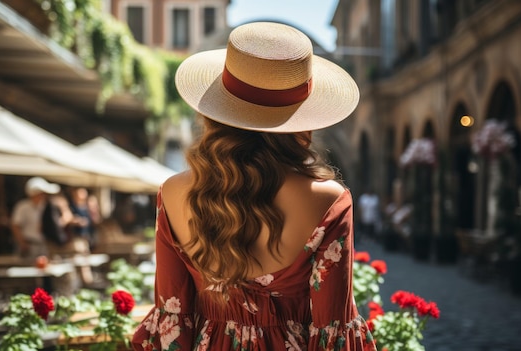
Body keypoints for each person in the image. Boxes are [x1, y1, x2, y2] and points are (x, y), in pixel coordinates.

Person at [132, 22, 376, 351]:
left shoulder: (173, 193)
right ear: (302, 118)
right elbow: (333, 329)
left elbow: (171, 319)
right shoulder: (329, 201)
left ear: (218, 108)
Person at [10, 177, 61, 259]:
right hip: (29, 245)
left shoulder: (45, 207)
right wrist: (22, 243)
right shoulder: (23, 207)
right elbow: (15, 226)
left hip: (42, 245)